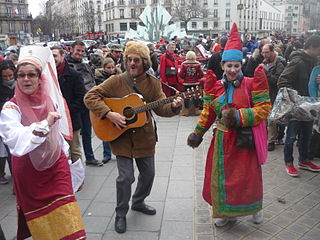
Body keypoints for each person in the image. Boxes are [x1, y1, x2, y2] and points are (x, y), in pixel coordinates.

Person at [84, 41, 183, 234]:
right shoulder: (116, 81)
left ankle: (138, 201)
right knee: (125, 177)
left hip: (145, 137)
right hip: (121, 138)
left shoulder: (154, 83)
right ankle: (121, 212)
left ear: (144, 62)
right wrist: (108, 114)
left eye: (136, 60)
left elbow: (160, 108)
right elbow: (90, 97)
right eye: (129, 59)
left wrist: (174, 107)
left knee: (148, 175)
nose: (131, 63)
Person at [187, 23, 271, 227]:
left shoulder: (252, 83)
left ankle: (254, 207)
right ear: (222, 65)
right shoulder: (214, 87)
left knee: (248, 178)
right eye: (228, 65)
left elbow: (264, 109)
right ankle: (225, 213)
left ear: (241, 65)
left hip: (244, 141)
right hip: (222, 142)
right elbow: (208, 113)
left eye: (236, 66)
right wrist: (197, 134)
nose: (232, 70)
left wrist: (239, 116)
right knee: (223, 180)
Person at [0, 46, 86, 239]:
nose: (26, 79)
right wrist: (44, 124)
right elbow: (15, 139)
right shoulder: (10, 107)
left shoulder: (51, 100)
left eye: (31, 74)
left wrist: (71, 167)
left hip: (57, 169)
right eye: (21, 75)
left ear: (40, 78)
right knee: (44, 227)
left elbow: (59, 139)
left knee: (71, 226)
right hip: (30, 174)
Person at [278, 35, 320, 176]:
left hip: (310, 106)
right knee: (290, 137)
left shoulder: (315, 63)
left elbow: (312, 84)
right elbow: (282, 81)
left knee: (307, 135)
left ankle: (304, 160)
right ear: (312, 47)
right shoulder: (297, 61)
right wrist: (295, 100)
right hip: (296, 107)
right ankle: (289, 163)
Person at [66, 40, 104, 166]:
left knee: (87, 132)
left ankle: (89, 157)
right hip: (73, 105)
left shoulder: (86, 65)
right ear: (72, 50)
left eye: (82, 51)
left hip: (87, 103)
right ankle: (72, 160)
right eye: (78, 50)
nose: (80, 53)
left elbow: (92, 81)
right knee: (73, 135)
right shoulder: (65, 66)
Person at [51, 46, 86, 163]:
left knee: (74, 150)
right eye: (50, 56)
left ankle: (78, 178)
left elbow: (81, 99)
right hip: (53, 121)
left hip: (71, 119)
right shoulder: (46, 75)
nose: (53, 58)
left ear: (62, 56)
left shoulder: (74, 75)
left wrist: (66, 110)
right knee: (58, 151)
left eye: (55, 55)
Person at [261, 44, 285, 151]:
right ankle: (265, 138)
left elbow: (276, 81)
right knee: (265, 118)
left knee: (272, 119)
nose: (264, 55)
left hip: (274, 95)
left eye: (266, 52)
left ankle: (271, 141)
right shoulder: (264, 63)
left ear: (272, 52)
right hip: (264, 95)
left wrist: (265, 72)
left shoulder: (279, 65)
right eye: (263, 52)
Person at [0, 60, 15, 185]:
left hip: (19, 123)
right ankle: (16, 181)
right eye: (5, 76)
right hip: (4, 125)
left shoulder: (21, 83)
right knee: (10, 153)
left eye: (10, 75)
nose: (8, 78)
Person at [179, 51, 204, 116]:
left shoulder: (183, 64)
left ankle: (186, 112)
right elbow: (201, 74)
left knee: (186, 96)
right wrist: (197, 77)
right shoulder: (198, 64)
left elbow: (181, 75)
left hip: (186, 83)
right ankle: (196, 111)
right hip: (195, 82)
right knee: (196, 96)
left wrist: (185, 77)